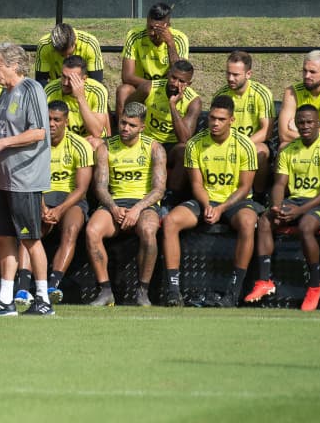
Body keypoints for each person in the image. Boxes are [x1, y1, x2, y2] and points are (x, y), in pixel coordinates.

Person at [0, 43, 53, 316]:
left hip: (24, 178)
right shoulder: (4, 95)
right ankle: (5, 300)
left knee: (29, 239)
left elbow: (38, 132)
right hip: (4, 180)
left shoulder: (32, 90)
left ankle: (42, 300)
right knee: (5, 237)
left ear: (14, 66)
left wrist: (3, 145)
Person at [161, 95, 262, 308]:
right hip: (204, 199)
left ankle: (233, 293)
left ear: (232, 120)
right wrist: (207, 205)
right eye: (212, 118)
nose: (215, 123)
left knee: (247, 222)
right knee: (170, 221)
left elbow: (244, 187)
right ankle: (173, 291)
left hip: (235, 202)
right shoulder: (195, 143)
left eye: (221, 119)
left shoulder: (245, 145)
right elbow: (196, 183)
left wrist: (222, 208)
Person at [244, 105, 320, 311]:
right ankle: (264, 281)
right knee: (264, 220)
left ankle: (315, 285)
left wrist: (299, 212)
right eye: (301, 122)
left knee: (306, 226)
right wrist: (277, 206)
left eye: (309, 122)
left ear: (318, 123)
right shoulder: (289, 149)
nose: (305, 126)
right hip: (295, 201)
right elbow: (280, 184)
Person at [85, 101, 167, 307]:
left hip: (144, 204)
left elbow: (159, 189)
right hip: (116, 202)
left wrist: (137, 209)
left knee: (149, 230)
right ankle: (105, 291)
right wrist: (113, 208)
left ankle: (142, 292)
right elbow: (100, 187)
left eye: (131, 125)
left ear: (142, 127)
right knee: (92, 231)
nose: (125, 128)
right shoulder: (106, 147)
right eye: (122, 123)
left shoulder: (154, 148)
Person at [18, 100, 93, 304]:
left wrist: (59, 210)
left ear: (66, 122)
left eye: (56, 120)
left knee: (71, 228)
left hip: (69, 200)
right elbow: (31, 180)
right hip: (41, 195)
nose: (51, 123)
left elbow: (81, 189)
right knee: (30, 229)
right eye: (48, 119)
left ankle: (53, 285)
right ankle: (23, 289)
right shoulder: (35, 144)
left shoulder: (81, 145)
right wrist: (42, 207)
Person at [127, 59, 201, 205]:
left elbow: (185, 138)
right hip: (147, 141)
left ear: (188, 84)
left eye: (181, 81)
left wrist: (172, 106)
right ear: (168, 74)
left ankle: (170, 199)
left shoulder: (194, 101)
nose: (175, 83)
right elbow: (129, 108)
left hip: (171, 146)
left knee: (185, 150)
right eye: (173, 77)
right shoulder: (149, 88)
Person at [213, 51, 276, 198]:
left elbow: (267, 131)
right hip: (226, 143)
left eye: (235, 75)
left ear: (248, 74)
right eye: (228, 73)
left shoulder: (262, 93)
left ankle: (259, 196)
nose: (230, 78)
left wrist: (242, 144)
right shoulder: (221, 95)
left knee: (260, 151)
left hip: (253, 142)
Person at [115, 2, 189, 119]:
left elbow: (180, 75)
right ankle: (121, 134)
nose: (152, 33)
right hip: (141, 87)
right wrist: (151, 86)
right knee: (123, 90)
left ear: (167, 25)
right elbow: (127, 76)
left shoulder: (179, 39)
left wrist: (170, 44)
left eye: (158, 29)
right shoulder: (134, 35)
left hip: (168, 88)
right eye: (149, 27)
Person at [42, 55, 110, 143]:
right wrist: (77, 141)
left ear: (84, 79)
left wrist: (80, 98)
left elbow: (96, 132)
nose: (65, 83)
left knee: (95, 143)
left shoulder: (97, 91)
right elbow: (46, 127)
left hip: (90, 140)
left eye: (71, 79)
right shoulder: (50, 90)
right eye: (63, 76)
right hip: (64, 140)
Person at [34, 22, 104, 84]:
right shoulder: (44, 46)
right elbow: (41, 81)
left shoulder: (90, 44)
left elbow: (96, 82)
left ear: (75, 42)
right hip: (56, 89)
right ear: (53, 48)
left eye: (70, 54)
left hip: (84, 87)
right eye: (62, 55)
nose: (67, 59)